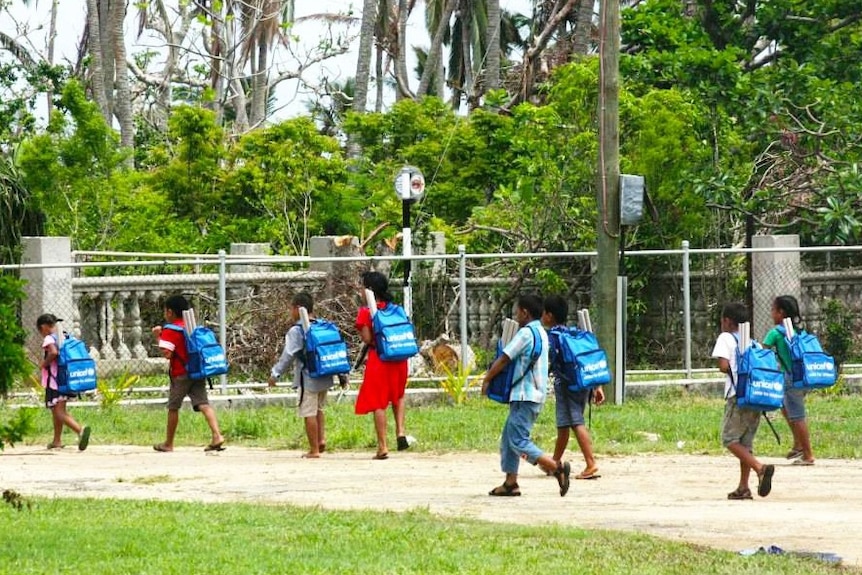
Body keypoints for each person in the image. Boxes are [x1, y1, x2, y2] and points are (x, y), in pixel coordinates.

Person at [481, 294, 572, 497]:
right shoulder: (541, 332)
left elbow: (505, 358)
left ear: (525, 312)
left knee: (518, 440)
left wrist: (487, 379)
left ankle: (554, 467)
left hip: (524, 395)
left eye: (517, 311)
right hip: (535, 395)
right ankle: (510, 482)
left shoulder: (525, 334)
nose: (516, 316)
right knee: (508, 438)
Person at [711, 303, 774, 500]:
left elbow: (723, 365)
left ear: (727, 321)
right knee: (745, 443)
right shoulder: (752, 341)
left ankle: (759, 468)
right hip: (755, 396)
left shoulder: (726, 337)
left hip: (737, 396)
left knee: (729, 439)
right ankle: (743, 487)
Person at [267, 292, 339, 458]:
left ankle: (314, 450)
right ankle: (321, 440)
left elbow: (288, 355)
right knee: (319, 409)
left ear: (298, 309)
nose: (290, 312)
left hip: (308, 378)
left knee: (308, 412)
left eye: (291, 309)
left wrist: (275, 374)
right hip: (325, 375)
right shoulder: (322, 325)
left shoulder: (297, 330)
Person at [151, 295, 225, 453]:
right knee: (203, 403)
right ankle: (217, 435)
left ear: (170, 312)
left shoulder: (171, 330)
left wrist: (158, 336)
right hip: (197, 370)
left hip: (180, 374)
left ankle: (168, 443)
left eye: (165, 311)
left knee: (173, 407)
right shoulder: (191, 327)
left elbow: (167, 353)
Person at [542, 295, 604, 480]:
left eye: (544, 313)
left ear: (549, 316)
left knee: (576, 423)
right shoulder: (573, 334)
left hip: (566, 386)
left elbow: (546, 362)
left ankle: (590, 463)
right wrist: (597, 386)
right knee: (563, 425)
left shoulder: (552, 338)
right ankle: (554, 463)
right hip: (581, 384)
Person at [354, 271, 413, 460]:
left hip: (379, 359)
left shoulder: (366, 312)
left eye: (362, 286)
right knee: (398, 394)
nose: (360, 290)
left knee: (378, 402)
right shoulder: (395, 309)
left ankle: (382, 446)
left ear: (369, 290)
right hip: (399, 358)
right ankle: (401, 432)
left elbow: (368, 338)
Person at [762, 295, 814, 465]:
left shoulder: (776, 332)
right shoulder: (800, 331)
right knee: (785, 406)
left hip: (789, 378)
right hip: (803, 376)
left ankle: (808, 455)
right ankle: (798, 444)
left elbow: (762, 352)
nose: (771, 313)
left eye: (773, 310)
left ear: (781, 312)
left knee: (797, 415)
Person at [36, 314, 91, 451]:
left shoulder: (49, 338)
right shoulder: (65, 336)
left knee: (59, 412)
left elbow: (53, 353)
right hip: (67, 379)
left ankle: (80, 430)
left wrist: (43, 364)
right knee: (57, 410)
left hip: (55, 381)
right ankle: (57, 441)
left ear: (43, 327)